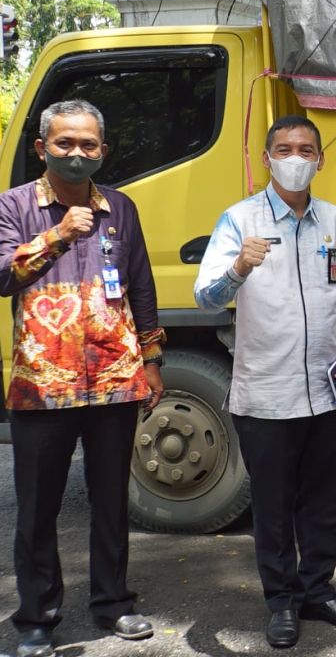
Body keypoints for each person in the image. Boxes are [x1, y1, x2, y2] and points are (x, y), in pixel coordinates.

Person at [194, 115, 336, 650]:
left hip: (326, 390)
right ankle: (282, 602)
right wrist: (238, 269)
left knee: (323, 503)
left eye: (306, 149)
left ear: (320, 159)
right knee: (273, 507)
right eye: (284, 148)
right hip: (266, 393)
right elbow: (206, 296)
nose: (295, 157)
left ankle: (318, 590)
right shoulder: (239, 219)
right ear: (268, 156)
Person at [0, 100, 165, 657]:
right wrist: (60, 235)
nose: (77, 153)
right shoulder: (14, 205)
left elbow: (140, 285)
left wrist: (152, 359)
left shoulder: (121, 207)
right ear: (42, 147)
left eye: (88, 145)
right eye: (65, 143)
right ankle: (37, 618)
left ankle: (113, 603)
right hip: (42, 385)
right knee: (37, 508)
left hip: (115, 380)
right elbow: (2, 275)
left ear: (103, 151)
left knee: (110, 501)